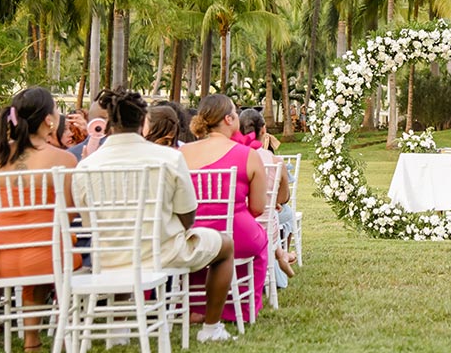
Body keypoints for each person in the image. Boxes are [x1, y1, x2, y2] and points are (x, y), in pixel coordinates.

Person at [74, 89, 235, 343]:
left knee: (124, 252)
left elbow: (88, 223)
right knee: (226, 246)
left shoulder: (86, 166)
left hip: (108, 256)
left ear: (109, 124)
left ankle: (118, 331)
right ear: (143, 122)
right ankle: (211, 327)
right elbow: (187, 215)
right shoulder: (169, 157)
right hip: (162, 253)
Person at [0, 87, 78, 351]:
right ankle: (63, 335)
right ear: (49, 120)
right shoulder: (64, 159)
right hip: (49, 256)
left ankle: (31, 341)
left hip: (0, 257)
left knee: (38, 254)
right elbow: (69, 213)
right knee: (59, 251)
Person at [182, 95, 268, 323]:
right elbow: (258, 208)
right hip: (235, 234)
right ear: (228, 119)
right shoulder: (248, 155)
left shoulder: (182, 153)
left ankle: (194, 306)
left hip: (191, 234)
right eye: (235, 112)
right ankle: (238, 308)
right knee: (260, 240)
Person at [238, 109, 296, 282]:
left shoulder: (234, 156)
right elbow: (284, 197)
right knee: (283, 213)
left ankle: (281, 255)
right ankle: (281, 255)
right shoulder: (275, 161)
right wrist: (272, 201)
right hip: (265, 224)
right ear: (263, 129)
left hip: (238, 224)